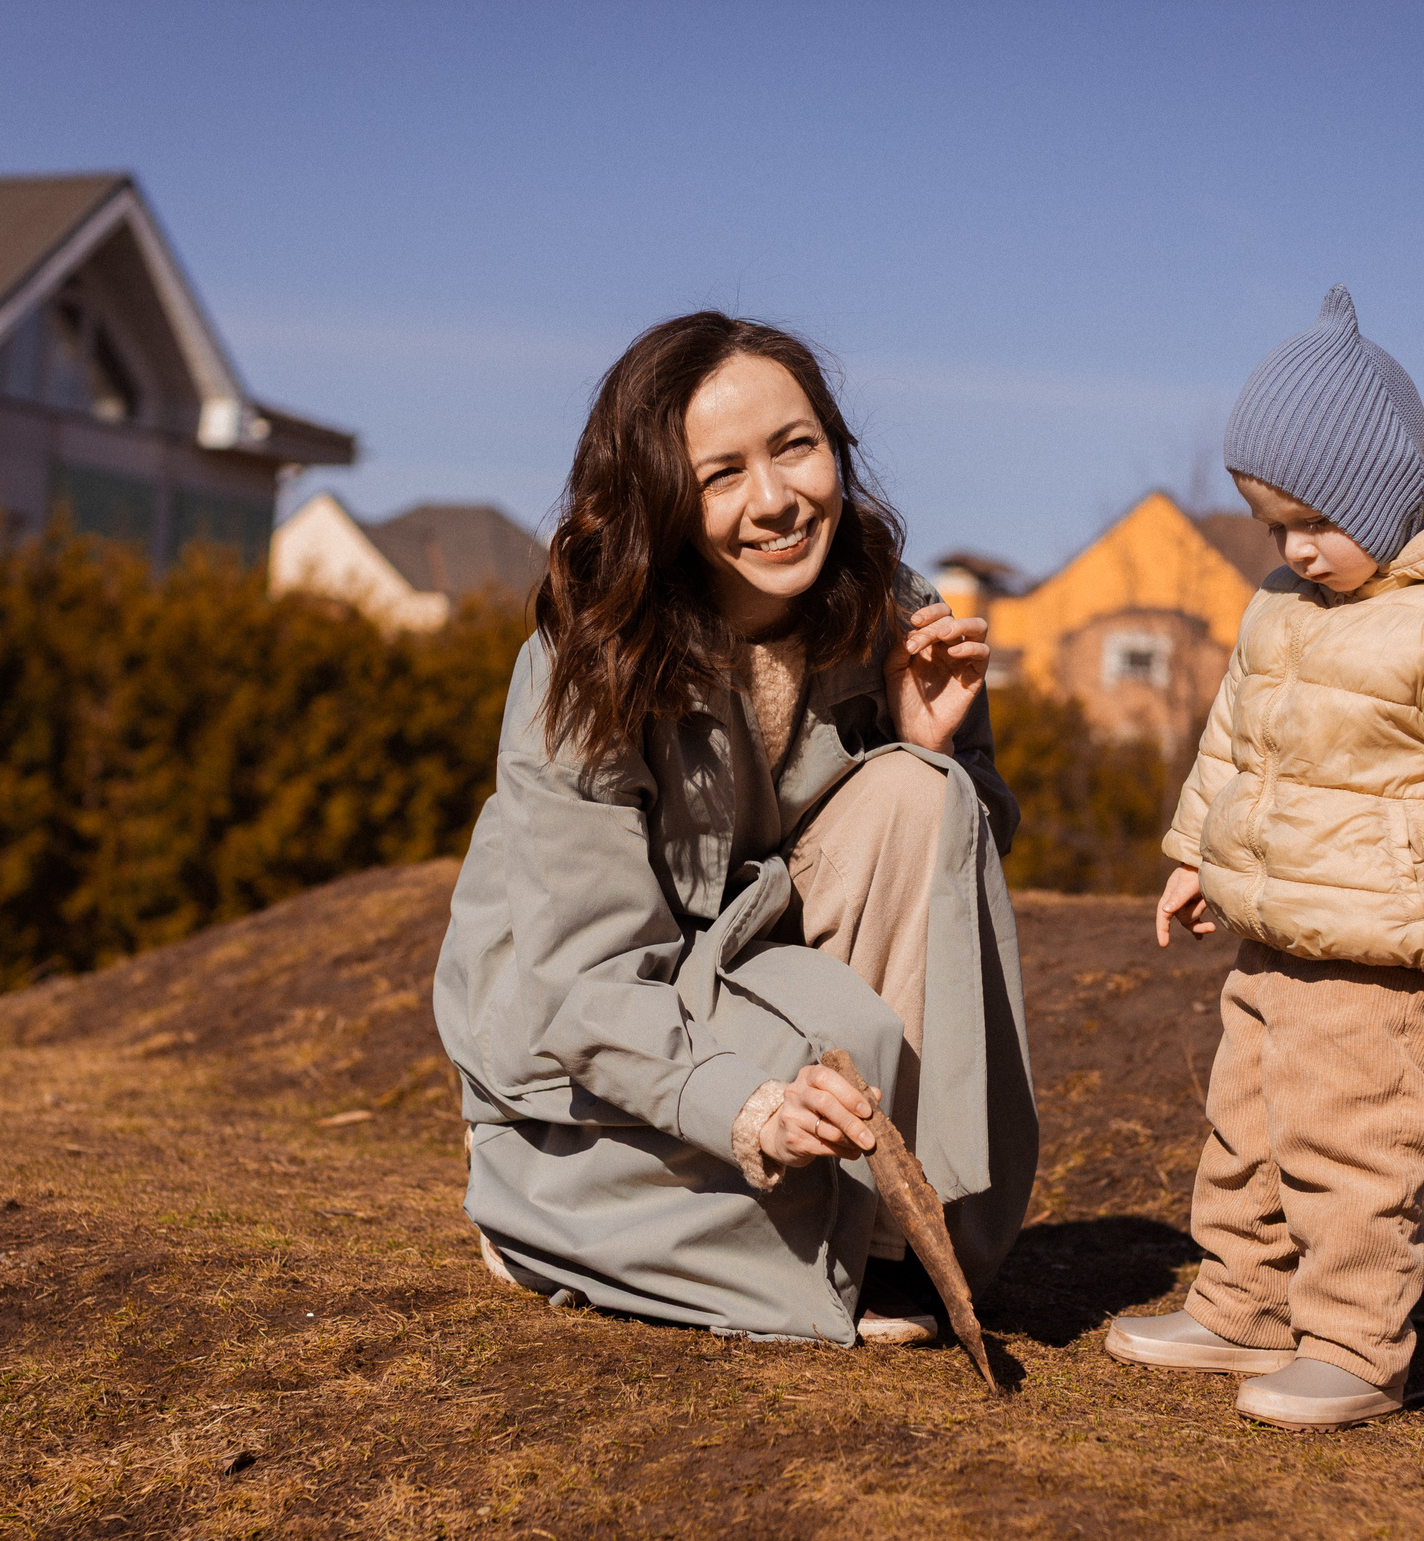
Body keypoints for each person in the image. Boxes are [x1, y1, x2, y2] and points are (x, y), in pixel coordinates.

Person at [432, 313, 1037, 1346]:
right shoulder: (582, 664)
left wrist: (926, 743)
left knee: (919, 792)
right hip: (591, 1033)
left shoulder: (893, 611)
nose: (776, 501)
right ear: (659, 501)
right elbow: (585, 977)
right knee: (749, 1223)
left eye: (795, 448)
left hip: (756, 976)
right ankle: (540, 1213)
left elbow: (941, 876)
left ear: (834, 445)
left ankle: (892, 1232)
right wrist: (744, 1105)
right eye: (722, 474)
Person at [1108, 286, 1424, 1429]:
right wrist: (1198, 856)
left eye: (1313, 522)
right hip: (1274, 932)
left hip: (1380, 953)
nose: (1292, 549)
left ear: (1381, 494)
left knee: (1350, 1147)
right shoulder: (1285, 603)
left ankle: (1356, 1344)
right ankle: (1241, 1307)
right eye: (1271, 526)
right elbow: (1237, 740)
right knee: (1245, 1131)